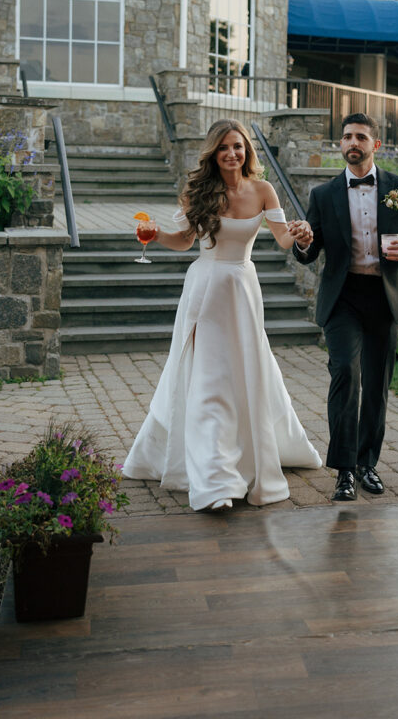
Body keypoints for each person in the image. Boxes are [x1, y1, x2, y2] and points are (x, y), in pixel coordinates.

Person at [123, 118, 322, 511]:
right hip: (206, 290)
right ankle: (215, 481)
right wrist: (154, 233)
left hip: (242, 290)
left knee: (244, 372)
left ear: (247, 151)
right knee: (210, 380)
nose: (233, 153)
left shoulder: (264, 190)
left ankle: (247, 455)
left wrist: (301, 233)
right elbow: (183, 242)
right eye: (225, 147)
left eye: (239, 146)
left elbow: (283, 239)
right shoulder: (198, 192)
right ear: (214, 153)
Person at [290, 113, 398, 503]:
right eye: (347, 137)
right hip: (343, 298)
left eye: (361, 137)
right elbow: (309, 250)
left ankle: (367, 463)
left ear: (376, 145)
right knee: (345, 376)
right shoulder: (323, 195)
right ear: (341, 144)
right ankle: (343, 471)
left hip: (385, 297)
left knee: (376, 386)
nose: (353, 142)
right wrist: (303, 241)